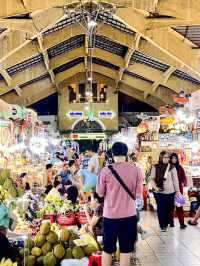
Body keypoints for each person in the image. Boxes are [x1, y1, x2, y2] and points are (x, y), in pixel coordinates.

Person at [96, 142, 143, 266]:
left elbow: (100, 193)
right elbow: (138, 194)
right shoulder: (136, 170)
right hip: (129, 216)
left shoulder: (105, 170)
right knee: (125, 249)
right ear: (126, 153)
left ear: (112, 153)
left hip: (110, 216)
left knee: (107, 249)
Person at [150, 151, 181, 232]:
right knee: (161, 208)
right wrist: (155, 187)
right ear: (160, 158)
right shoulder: (155, 167)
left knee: (169, 209)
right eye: (164, 157)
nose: (165, 159)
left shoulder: (172, 167)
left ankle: (166, 222)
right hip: (159, 192)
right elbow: (152, 179)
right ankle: (162, 225)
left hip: (170, 192)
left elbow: (175, 180)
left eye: (167, 157)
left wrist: (177, 191)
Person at [170, 153, 187, 229]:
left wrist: (183, 183)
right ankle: (171, 223)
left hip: (179, 190)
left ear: (177, 159)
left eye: (175, 158)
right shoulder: (168, 167)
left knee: (179, 206)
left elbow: (184, 177)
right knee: (170, 207)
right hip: (170, 190)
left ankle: (182, 223)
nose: (174, 160)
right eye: (172, 158)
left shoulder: (180, 167)